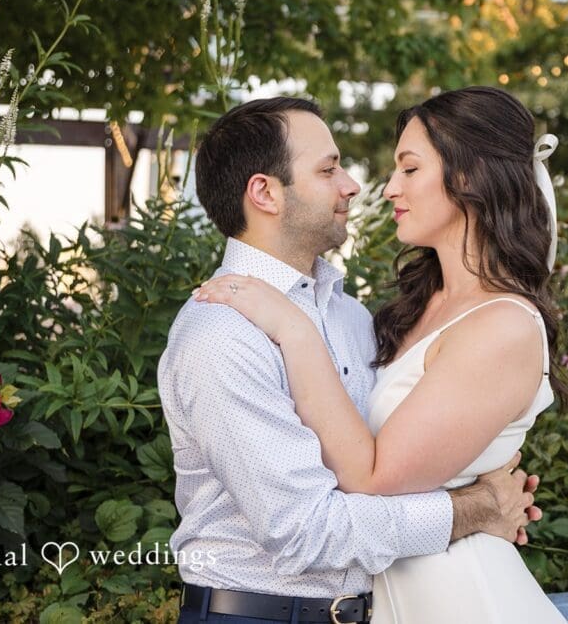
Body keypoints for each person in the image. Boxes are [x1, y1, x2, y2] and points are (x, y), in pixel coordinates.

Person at [157, 95, 544, 624]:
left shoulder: (353, 318)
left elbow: (390, 457)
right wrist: (474, 507)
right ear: (265, 193)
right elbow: (305, 532)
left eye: (409, 168)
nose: (356, 185)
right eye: (328, 169)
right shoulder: (223, 332)